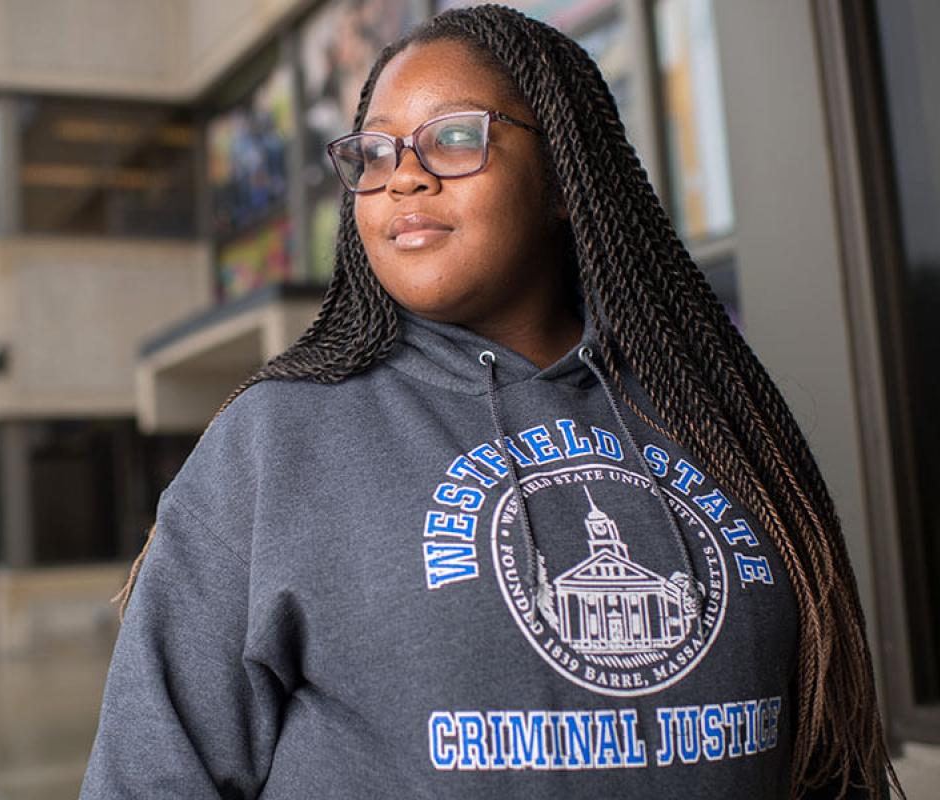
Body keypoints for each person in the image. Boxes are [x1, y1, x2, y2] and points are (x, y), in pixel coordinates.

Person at [80, 5, 901, 798]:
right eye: (374, 154)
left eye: (454, 138)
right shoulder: (276, 442)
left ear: (564, 180)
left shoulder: (718, 420)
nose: (402, 174)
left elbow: (829, 758)